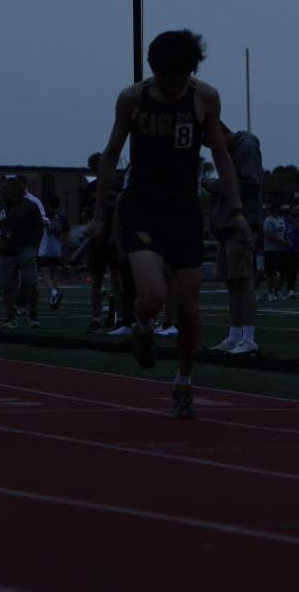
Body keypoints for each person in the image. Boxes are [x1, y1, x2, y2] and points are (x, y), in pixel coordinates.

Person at [84, 28, 253, 419]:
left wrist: (238, 211)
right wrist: (97, 217)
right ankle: (143, 327)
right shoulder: (132, 98)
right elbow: (110, 154)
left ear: (191, 72)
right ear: (152, 70)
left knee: (189, 308)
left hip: (184, 211)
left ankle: (183, 380)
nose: (172, 88)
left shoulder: (205, 97)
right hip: (142, 209)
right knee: (153, 295)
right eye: (165, 81)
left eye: (180, 81)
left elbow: (221, 155)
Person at [203, 121, 264, 355]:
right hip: (227, 223)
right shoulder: (230, 149)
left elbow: (251, 185)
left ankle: (248, 339)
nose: (211, 147)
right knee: (232, 282)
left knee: (243, 279)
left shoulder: (246, 146)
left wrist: (215, 185)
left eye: (210, 141)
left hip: (241, 223)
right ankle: (235, 336)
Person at [81, 152, 125, 333]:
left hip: (114, 238)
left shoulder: (119, 186)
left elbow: (124, 212)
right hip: (98, 239)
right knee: (100, 280)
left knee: (115, 279)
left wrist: (117, 233)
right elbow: (86, 214)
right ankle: (98, 319)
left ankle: (119, 319)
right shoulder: (90, 189)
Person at [0, 177, 45, 329]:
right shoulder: (0, 207)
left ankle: (33, 315)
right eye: (2, 187)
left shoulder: (30, 206)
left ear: (16, 190)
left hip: (25, 250)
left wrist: (32, 245)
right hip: (6, 252)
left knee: (31, 283)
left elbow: (39, 226)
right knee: (6, 286)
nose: (2, 190)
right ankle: (11, 318)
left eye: (6, 188)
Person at [39, 194, 70, 310]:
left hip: (45, 250)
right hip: (57, 251)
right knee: (54, 275)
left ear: (47, 204)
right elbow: (66, 238)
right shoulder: (62, 218)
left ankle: (55, 294)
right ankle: (53, 299)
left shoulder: (44, 216)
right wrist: (65, 252)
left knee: (45, 275)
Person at [261, 202, 290, 301]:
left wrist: (288, 241)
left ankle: (277, 291)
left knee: (285, 271)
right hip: (271, 250)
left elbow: (284, 233)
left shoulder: (280, 219)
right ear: (276, 209)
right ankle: (270, 293)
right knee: (270, 273)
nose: (282, 210)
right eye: (281, 208)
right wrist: (282, 241)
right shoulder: (268, 220)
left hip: (281, 250)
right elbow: (268, 235)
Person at [283, 204, 299, 299]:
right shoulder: (284, 220)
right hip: (287, 249)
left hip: (298, 249)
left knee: (294, 270)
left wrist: (294, 222)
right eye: (294, 210)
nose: (296, 212)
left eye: (297, 211)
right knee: (289, 269)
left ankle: (291, 290)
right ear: (290, 211)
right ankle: (287, 290)